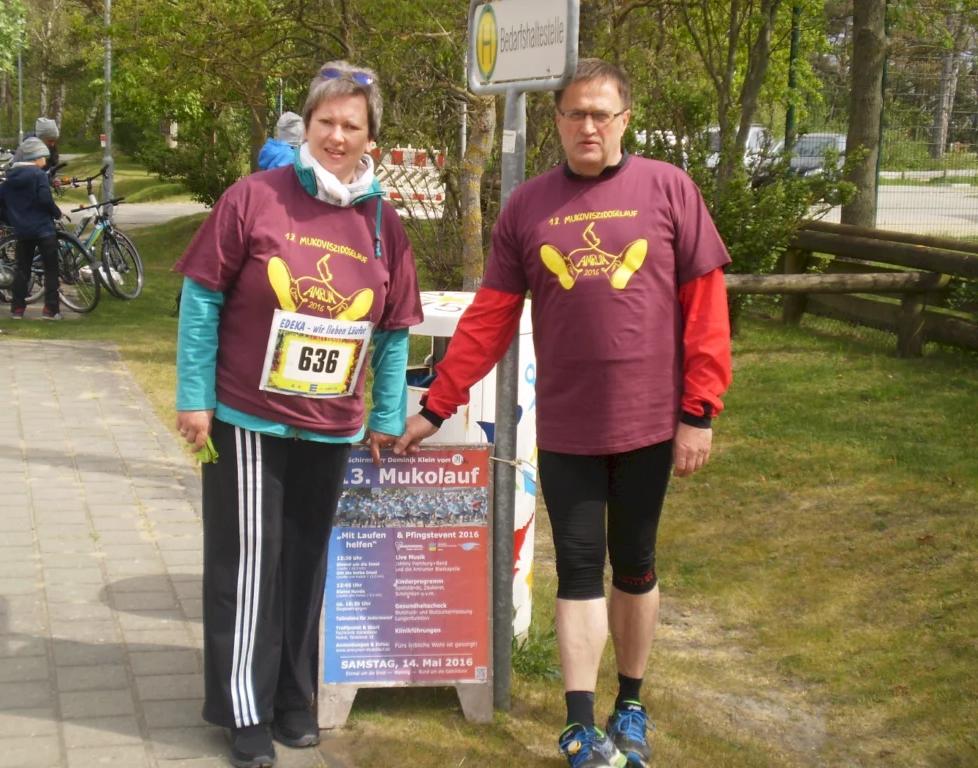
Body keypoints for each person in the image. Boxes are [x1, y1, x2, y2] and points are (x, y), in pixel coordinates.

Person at [394, 58, 733, 768]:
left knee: (634, 563)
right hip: (569, 425)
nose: (588, 125)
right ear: (556, 121)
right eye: (575, 113)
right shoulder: (528, 206)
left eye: (601, 113)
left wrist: (699, 411)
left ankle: (630, 705)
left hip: (648, 421)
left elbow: (706, 308)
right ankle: (580, 725)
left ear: (625, 120)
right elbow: (490, 317)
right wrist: (437, 404)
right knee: (578, 566)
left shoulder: (669, 189)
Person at [174, 60, 422, 768]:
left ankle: (292, 695)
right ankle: (243, 709)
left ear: (371, 139)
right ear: (306, 127)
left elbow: (394, 329)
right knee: (250, 563)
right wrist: (194, 396)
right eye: (326, 122)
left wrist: (385, 414)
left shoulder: (382, 221)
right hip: (249, 416)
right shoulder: (254, 198)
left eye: (352, 126)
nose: (337, 136)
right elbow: (202, 298)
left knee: (306, 562)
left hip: (331, 424)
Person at [0, 137, 64, 320]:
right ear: (35, 158)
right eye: (43, 157)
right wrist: (57, 213)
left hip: (22, 230)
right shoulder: (39, 175)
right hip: (44, 229)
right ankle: (50, 310)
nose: (45, 161)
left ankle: (17, 309)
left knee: (22, 270)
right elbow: (45, 199)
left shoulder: (10, 178)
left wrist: (8, 215)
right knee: (51, 269)